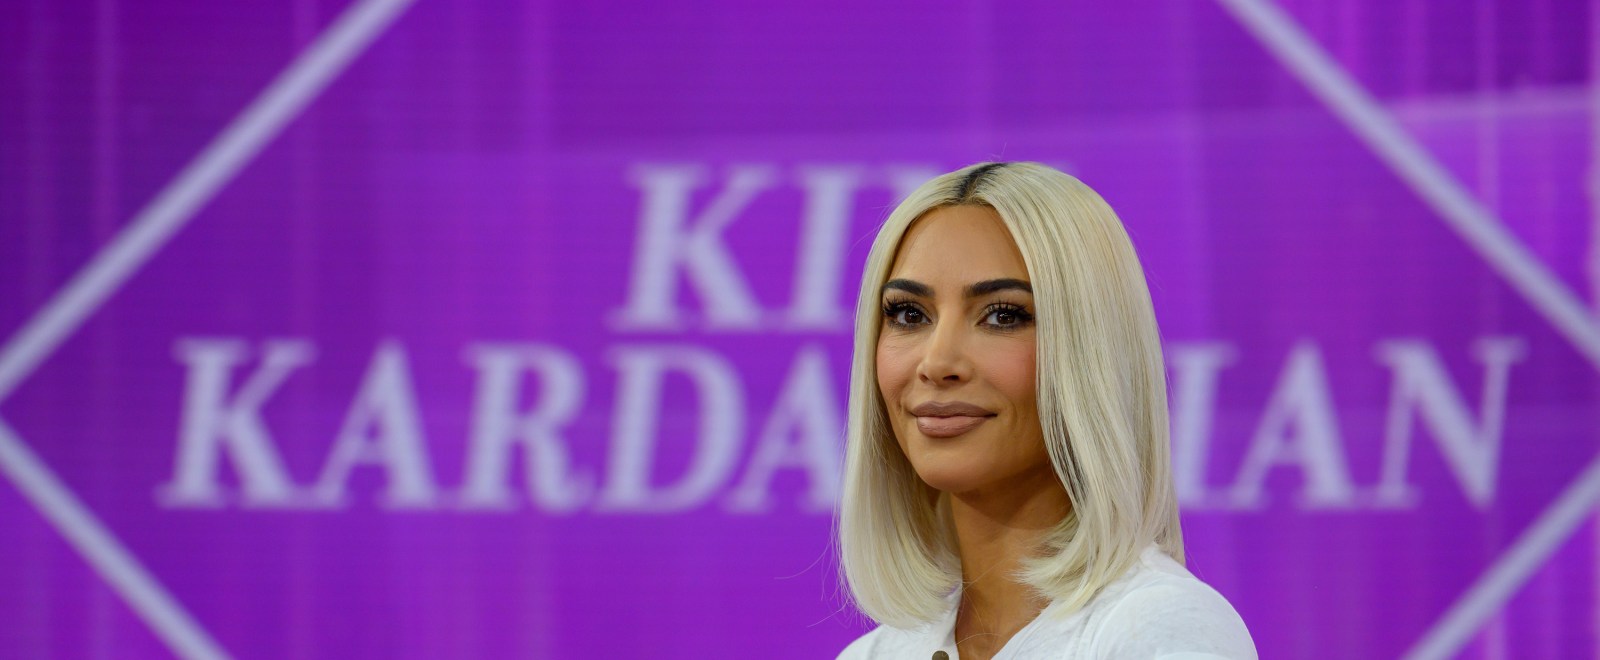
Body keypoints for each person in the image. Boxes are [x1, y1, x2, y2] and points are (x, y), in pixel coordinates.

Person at [834, 162, 1255, 659]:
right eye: (909, 314)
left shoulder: (1156, 628)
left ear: (1091, 352)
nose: (938, 362)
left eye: (1002, 316)